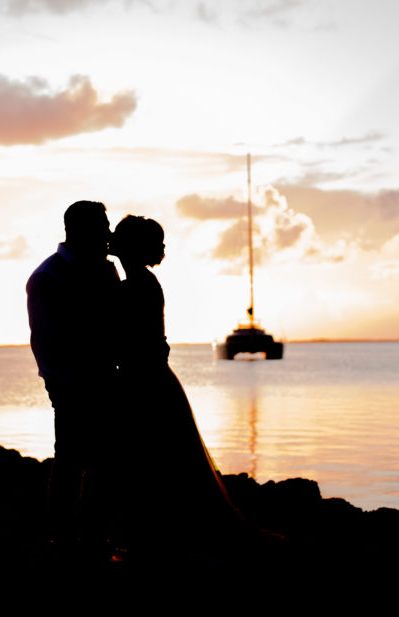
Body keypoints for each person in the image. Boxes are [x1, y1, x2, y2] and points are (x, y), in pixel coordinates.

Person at [109, 215, 247, 554]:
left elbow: (122, 339)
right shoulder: (140, 283)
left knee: (153, 460)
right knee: (163, 461)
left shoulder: (135, 286)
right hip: (151, 379)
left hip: (146, 383)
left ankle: (157, 537)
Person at [26, 201, 120, 549]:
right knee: (70, 461)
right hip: (72, 384)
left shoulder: (105, 270)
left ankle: (96, 538)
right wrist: (59, 382)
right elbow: (44, 337)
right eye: (103, 226)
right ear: (81, 229)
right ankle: (64, 539)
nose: (108, 234)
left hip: (107, 379)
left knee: (105, 463)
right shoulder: (47, 276)